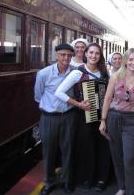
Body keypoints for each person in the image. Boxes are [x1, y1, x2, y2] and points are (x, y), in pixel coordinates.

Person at [55, 43, 111, 192]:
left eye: (97, 54)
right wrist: (78, 104)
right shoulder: (77, 73)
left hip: (101, 116)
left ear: (100, 56)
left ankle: (99, 178)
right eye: (91, 53)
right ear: (85, 54)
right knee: (85, 147)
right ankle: (85, 178)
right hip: (83, 116)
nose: (93, 56)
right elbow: (59, 93)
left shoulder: (104, 72)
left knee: (100, 147)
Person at [99, 48, 134, 195]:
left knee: (129, 157)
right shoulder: (115, 76)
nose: (133, 62)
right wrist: (103, 120)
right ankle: (122, 187)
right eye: (131, 59)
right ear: (126, 60)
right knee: (116, 155)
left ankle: (132, 190)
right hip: (113, 117)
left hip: (132, 120)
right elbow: (107, 99)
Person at [34, 44, 76, 195]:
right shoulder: (44, 74)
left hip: (69, 117)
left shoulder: (74, 73)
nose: (66, 58)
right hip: (49, 117)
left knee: (68, 149)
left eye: (69, 55)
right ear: (56, 55)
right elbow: (38, 96)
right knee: (48, 150)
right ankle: (49, 182)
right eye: (63, 55)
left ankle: (66, 181)